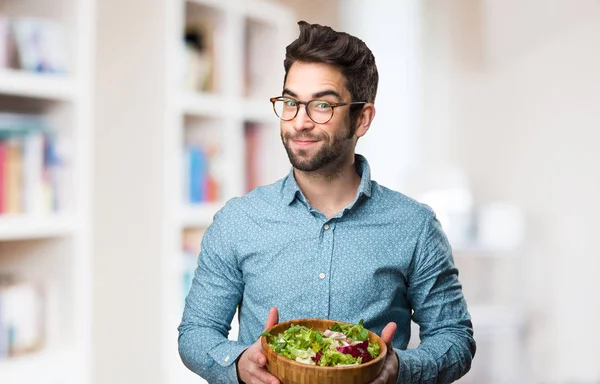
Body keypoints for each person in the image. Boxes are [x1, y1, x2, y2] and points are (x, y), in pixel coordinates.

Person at [178, 21, 476, 384]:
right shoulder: (238, 220)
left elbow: (455, 339)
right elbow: (196, 332)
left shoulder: (414, 226)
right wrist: (238, 363)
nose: (300, 122)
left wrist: (400, 369)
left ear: (362, 118)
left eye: (322, 105)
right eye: (290, 102)